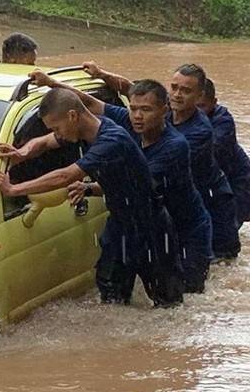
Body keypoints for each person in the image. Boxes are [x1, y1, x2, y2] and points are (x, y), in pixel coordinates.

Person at [0, 87, 184, 307]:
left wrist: (13, 189)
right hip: (120, 224)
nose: (57, 133)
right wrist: (23, 152)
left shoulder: (111, 140)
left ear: (72, 116)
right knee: (110, 296)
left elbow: (65, 175)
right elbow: (43, 142)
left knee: (168, 305)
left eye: (57, 127)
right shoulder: (79, 131)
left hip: (151, 227)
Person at [32, 73, 212, 294]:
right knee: (115, 290)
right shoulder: (129, 121)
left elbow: (136, 182)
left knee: (183, 294)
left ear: (165, 111)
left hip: (184, 226)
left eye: (146, 110)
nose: (137, 115)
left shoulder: (176, 146)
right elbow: (87, 105)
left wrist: (88, 187)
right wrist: (52, 83)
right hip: (144, 218)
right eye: (133, 108)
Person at [83, 62, 241, 260]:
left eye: (185, 90)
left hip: (210, 205)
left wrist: (90, 187)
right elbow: (130, 89)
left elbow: (144, 177)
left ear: (199, 95)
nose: (177, 94)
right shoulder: (159, 113)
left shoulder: (198, 132)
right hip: (175, 208)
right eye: (174, 88)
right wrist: (100, 75)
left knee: (220, 266)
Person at [198, 78, 250, 227]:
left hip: (237, 183)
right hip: (216, 182)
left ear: (214, 103)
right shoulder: (180, 112)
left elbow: (204, 153)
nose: (196, 112)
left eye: (202, 106)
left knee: (225, 233)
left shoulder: (222, 121)